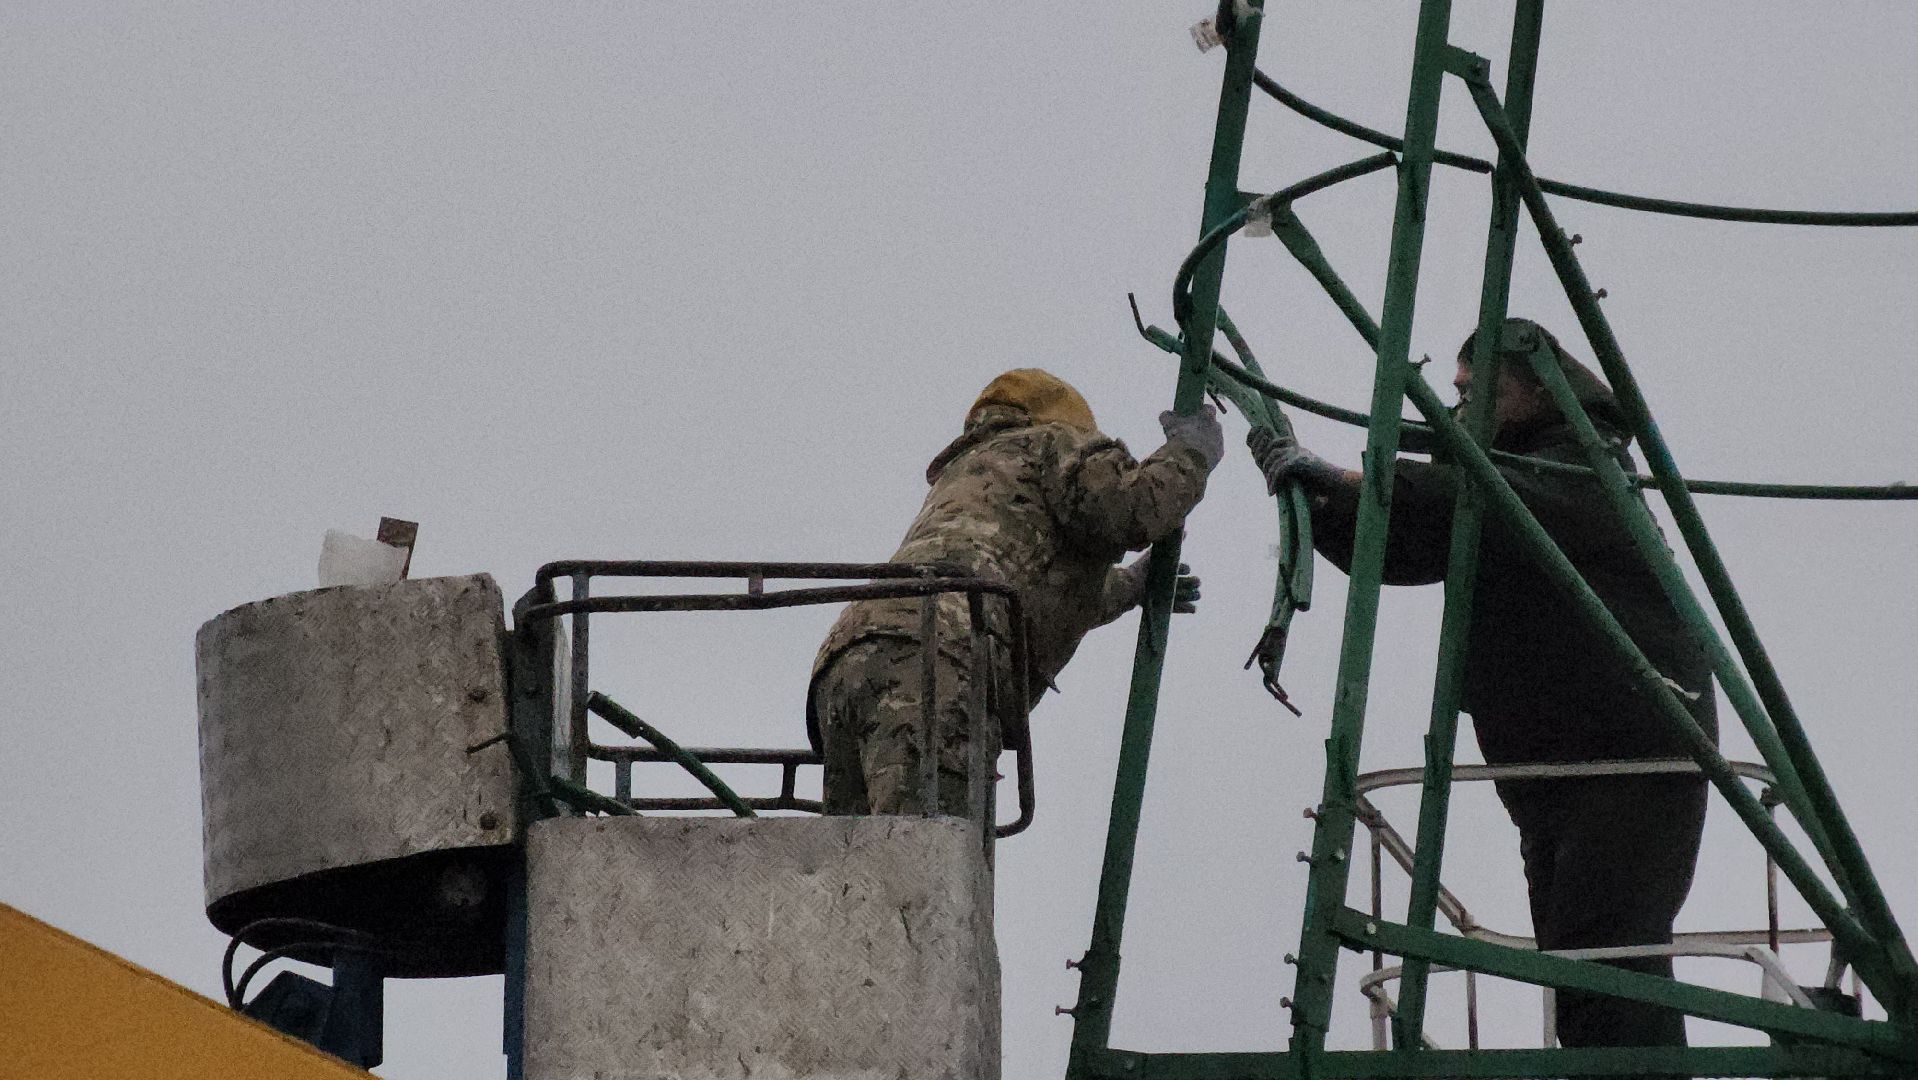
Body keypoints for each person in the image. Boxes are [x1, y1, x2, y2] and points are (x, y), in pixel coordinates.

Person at [1251, 318, 1717, 1061]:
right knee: (1580, 964)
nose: (1459, 405)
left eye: (1479, 391)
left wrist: (1351, 477)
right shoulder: (1489, 482)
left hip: (1632, 757)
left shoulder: (1580, 466)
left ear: (1537, 390)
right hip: (1549, 773)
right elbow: (1406, 544)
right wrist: (1325, 502)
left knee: (1605, 956)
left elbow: (1494, 502)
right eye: (1456, 392)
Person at [809, 368, 1222, 818]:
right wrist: (1190, 452)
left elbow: (1040, 579)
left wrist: (1132, 587)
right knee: (932, 859)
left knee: (858, 869)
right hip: (936, 657)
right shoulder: (1058, 444)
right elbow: (1130, 510)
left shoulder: (972, 471)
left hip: (849, 659)